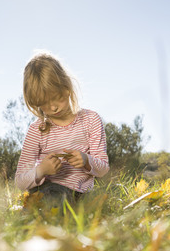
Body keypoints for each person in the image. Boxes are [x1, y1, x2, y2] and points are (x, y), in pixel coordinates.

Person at [15, 52, 109, 203]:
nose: (52, 107)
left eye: (56, 97)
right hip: (46, 191)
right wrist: (41, 170)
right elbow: (20, 181)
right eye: (43, 103)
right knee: (51, 195)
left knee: (96, 198)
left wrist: (86, 160)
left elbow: (103, 169)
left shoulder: (91, 120)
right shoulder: (36, 130)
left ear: (66, 87)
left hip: (80, 194)